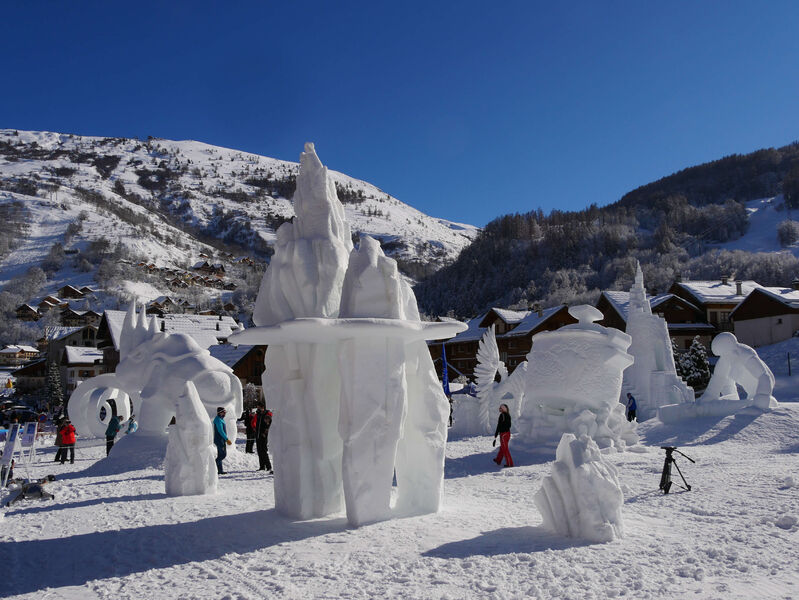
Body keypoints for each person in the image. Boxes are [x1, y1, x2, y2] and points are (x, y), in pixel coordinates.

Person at [213, 406, 232, 475]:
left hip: (221, 440)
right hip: (219, 440)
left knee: (220, 455)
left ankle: (220, 470)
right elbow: (220, 431)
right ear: (220, 413)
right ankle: (214, 464)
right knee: (223, 455)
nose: (225, 413)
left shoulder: (220, 419)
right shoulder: (218, 420)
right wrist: (226, 439)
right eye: (224, 412)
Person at [255, 406, 272, 473]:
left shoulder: (266, 414)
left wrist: (265, 432)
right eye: (258, 407)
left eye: (260, 407)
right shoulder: (258, 414)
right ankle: (262, 466)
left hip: (264, 436)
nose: (259, 409)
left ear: (263, 408)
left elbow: (269, 424)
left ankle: (268, 466)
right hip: (258, 435)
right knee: (259, 451)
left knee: (264, 451)